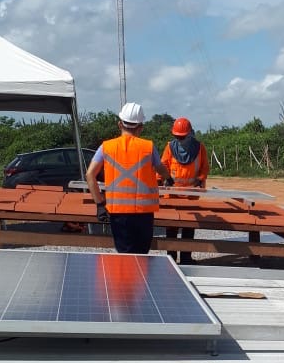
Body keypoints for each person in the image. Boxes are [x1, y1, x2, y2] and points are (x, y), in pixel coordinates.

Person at [86, 102, 173, 255]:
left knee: (125, 255)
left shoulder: (106, 147)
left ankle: (126, 279)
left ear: (120, 124)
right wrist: (168, 178)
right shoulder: (148, 147)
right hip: (144, 214)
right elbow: (160, 168)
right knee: (141, 255)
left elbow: (90, 174)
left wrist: (99, 204)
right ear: (140, 127)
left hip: (118, 214)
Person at [161, 116, 210, 265]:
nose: (180, 139)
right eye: (177, 136)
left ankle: (186, 258)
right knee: (171, 228)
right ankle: (171, 257)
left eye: (182, 136)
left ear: (190, 134)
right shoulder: (170, 147)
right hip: (173, 194)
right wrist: (162, 179)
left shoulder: (199, 148)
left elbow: (204, 167)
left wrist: (200, 179)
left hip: (191, 196)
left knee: (189, 228)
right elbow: (163, 165)